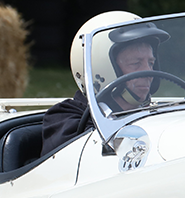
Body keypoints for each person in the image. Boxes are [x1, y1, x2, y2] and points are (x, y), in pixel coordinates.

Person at [40, 12, 172, 154]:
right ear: (101, 68)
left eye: (151, 63)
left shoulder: (153, 111)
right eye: (135, 63)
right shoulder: (65, 119)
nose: (149, 73)